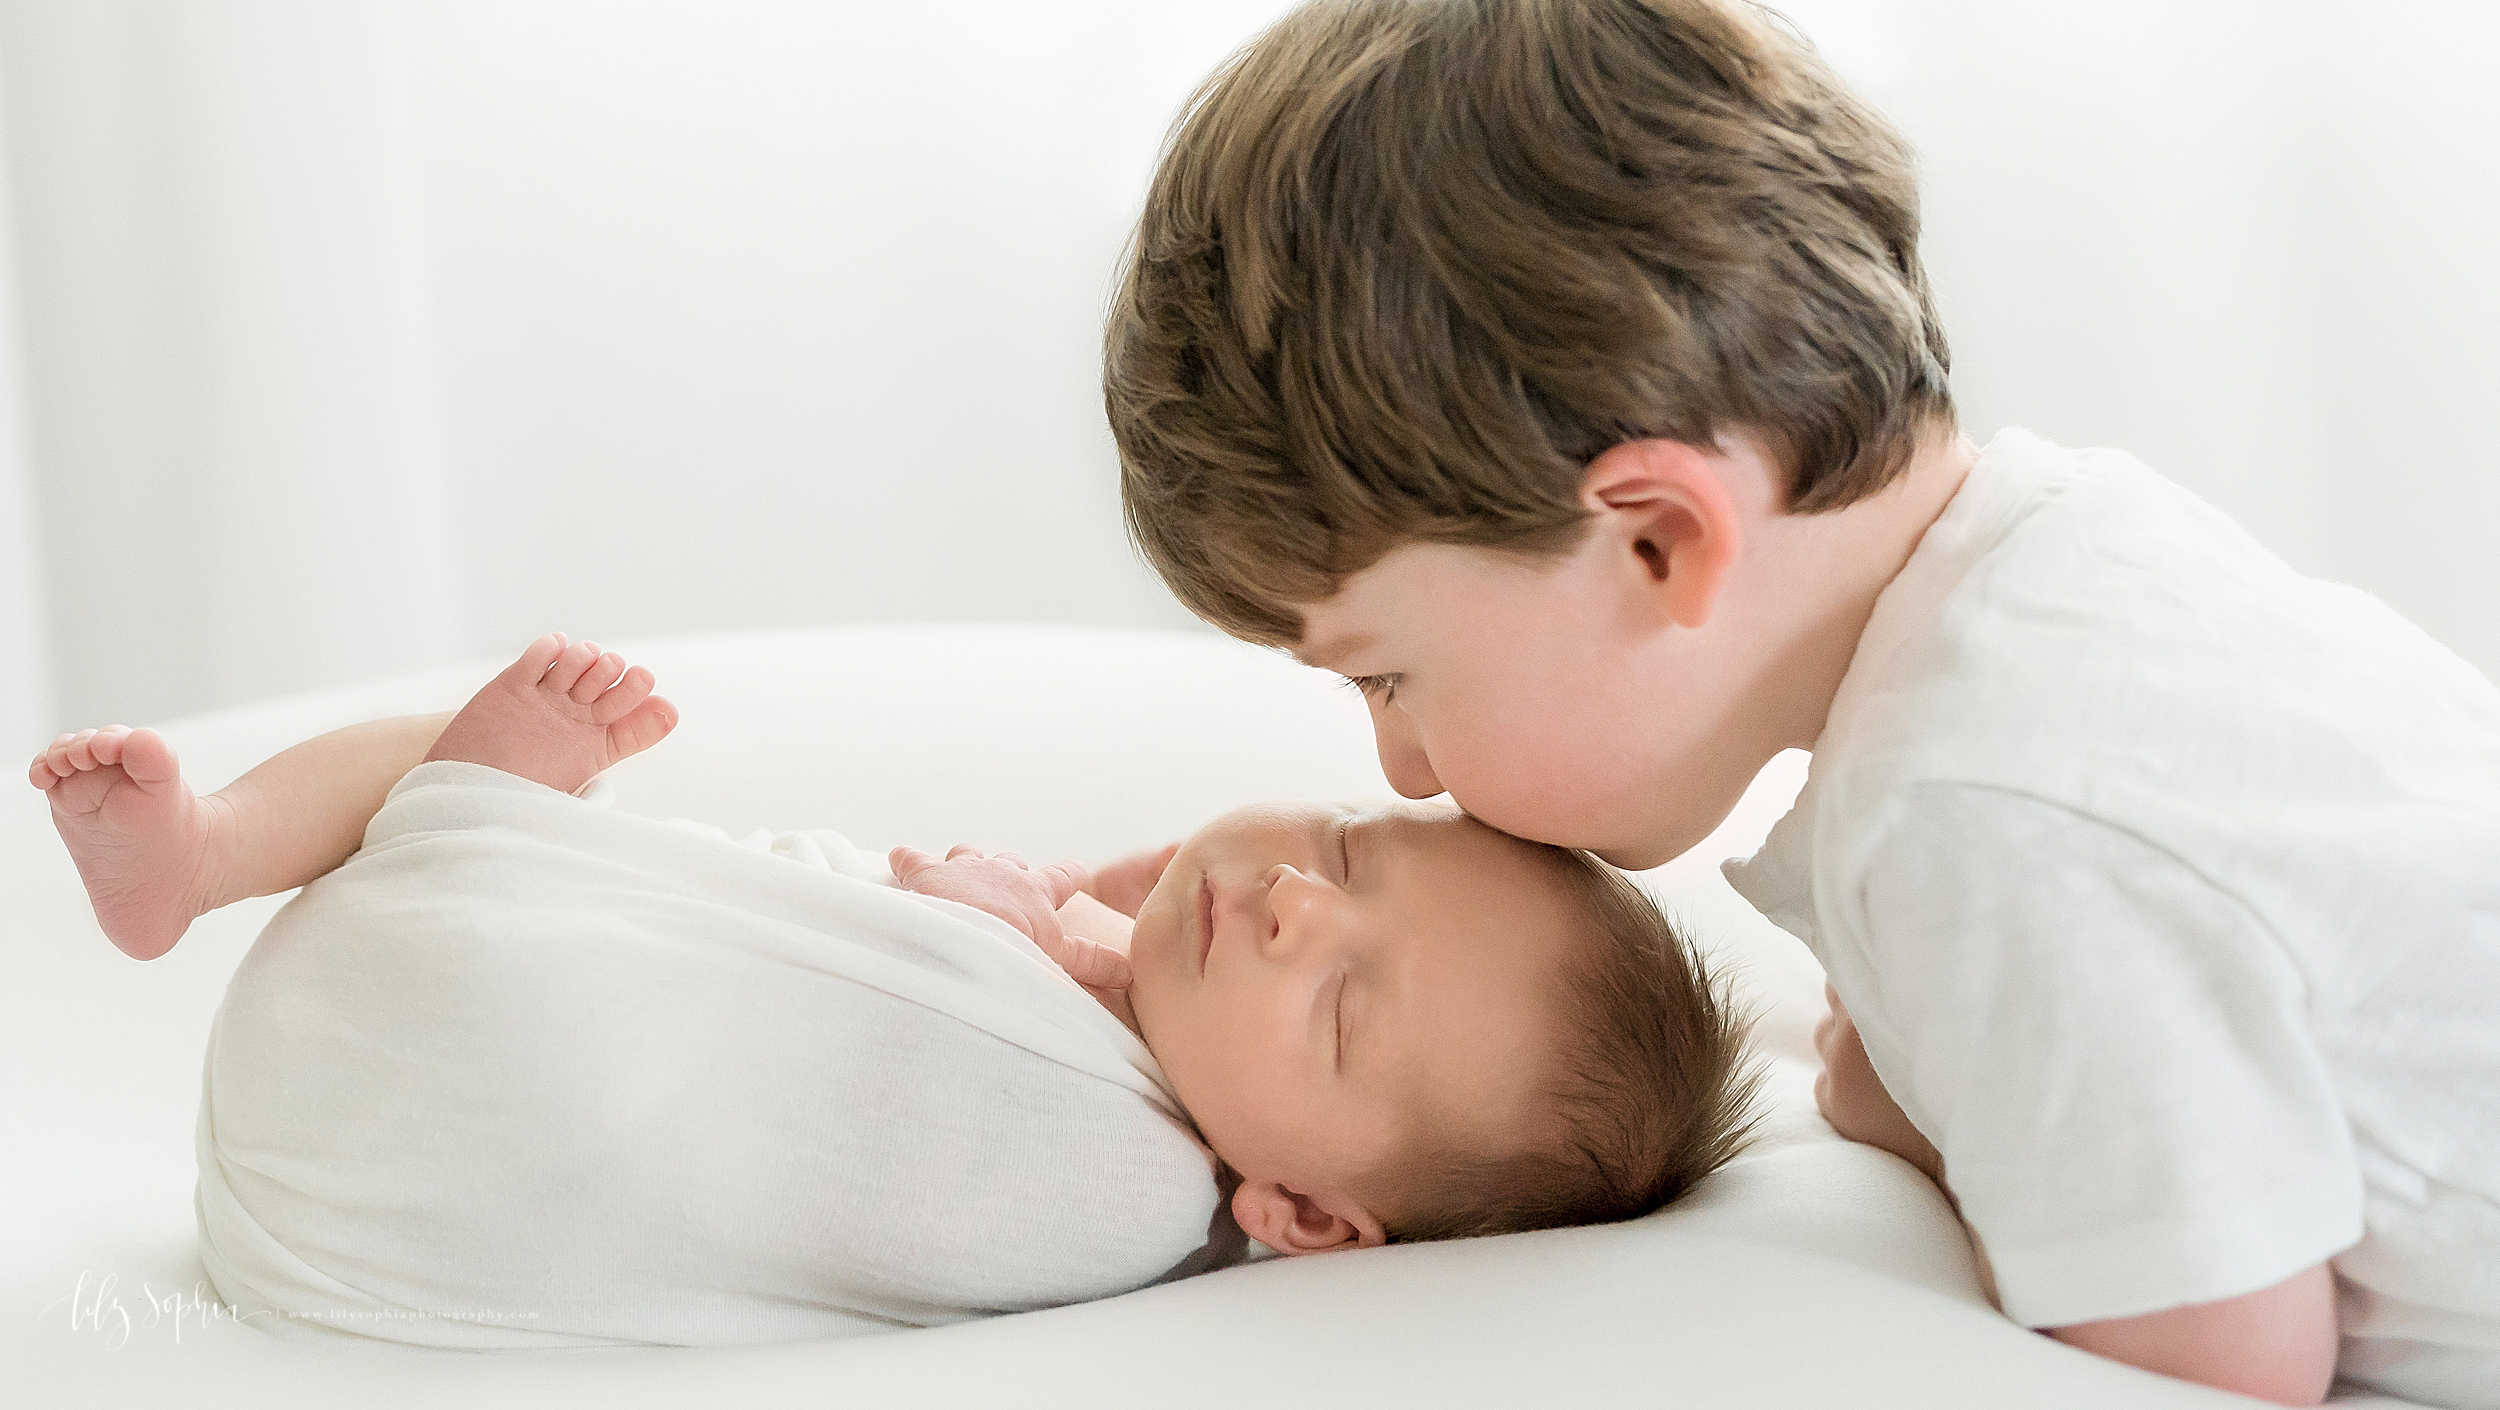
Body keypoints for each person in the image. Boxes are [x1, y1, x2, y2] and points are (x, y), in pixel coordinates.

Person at [1102, 0, 2500, 1407]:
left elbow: (2220, 1363)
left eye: (1388, 677)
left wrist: (1937, 1134)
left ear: (1655, 541)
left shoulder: (1978, 811)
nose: (1404, 767)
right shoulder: (2079, 554)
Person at [31, 629, 1758, 1266]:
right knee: (441, 781)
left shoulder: (1123, 1181)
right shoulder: (1155, 996)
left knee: (451, 771)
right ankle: (209, 852)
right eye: (1346, 849)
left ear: (1303, 1212)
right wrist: (1100, 912)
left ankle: (327, 830)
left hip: (467, 1034)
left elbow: (891, 1099)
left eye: (1343, 999)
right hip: (359, 1066)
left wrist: (1006, 927)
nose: (1299, 901)